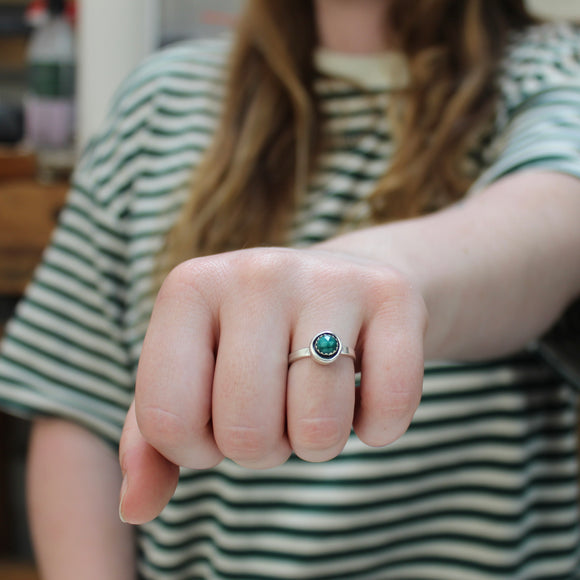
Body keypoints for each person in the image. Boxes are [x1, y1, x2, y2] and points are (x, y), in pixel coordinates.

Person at [1, 0, 580, 577]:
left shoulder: (555, 71)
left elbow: (552, 219)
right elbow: (76, 403)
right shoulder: (161, 100)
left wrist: (367, 274)